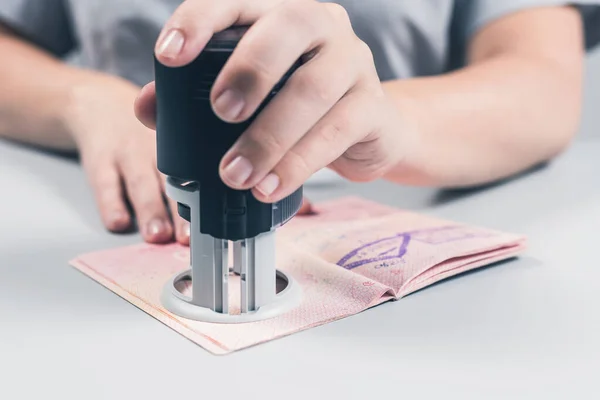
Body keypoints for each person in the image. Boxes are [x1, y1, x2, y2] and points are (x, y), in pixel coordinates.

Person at [1, 1, 599, 246]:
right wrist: (84, 100)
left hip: (411, 209)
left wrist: (379, 121)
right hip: (122, 221)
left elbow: (539, 77)